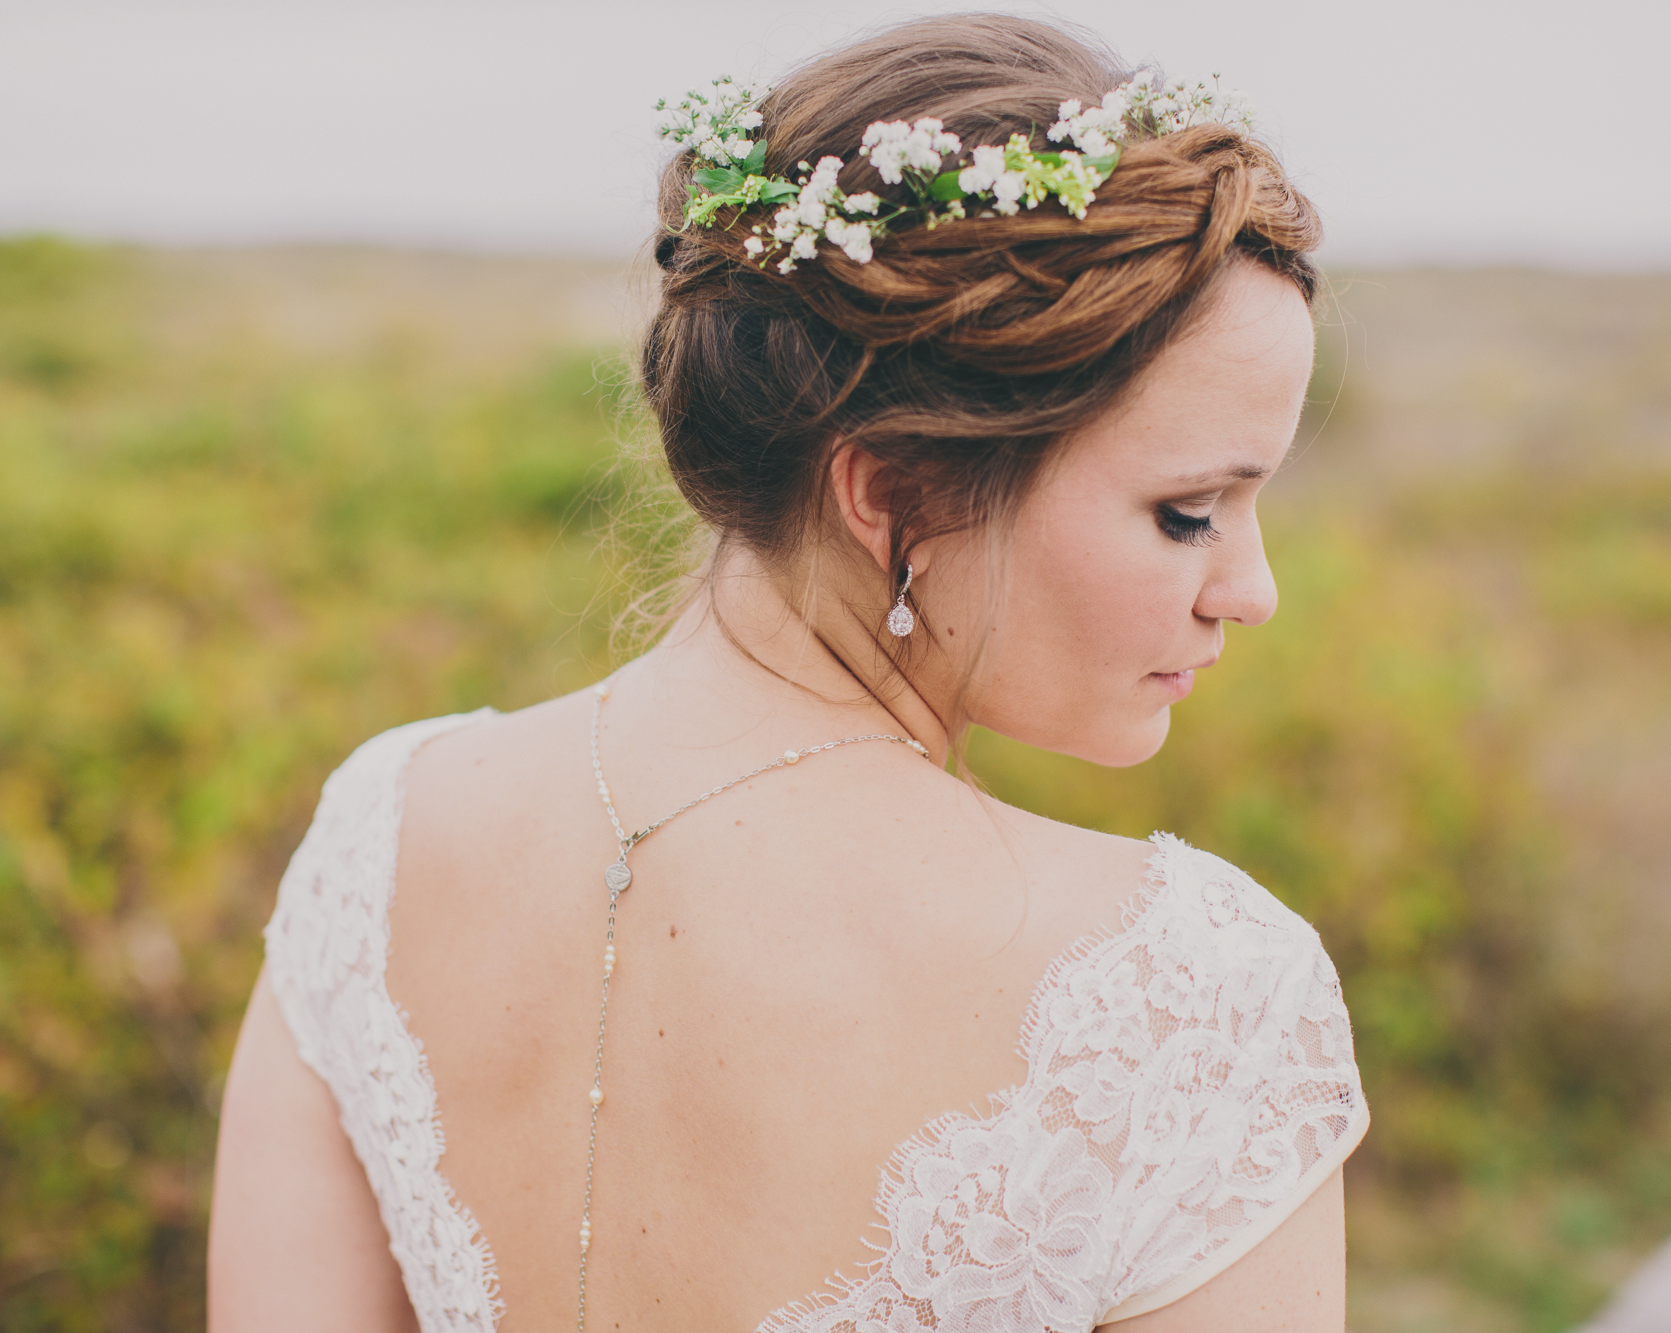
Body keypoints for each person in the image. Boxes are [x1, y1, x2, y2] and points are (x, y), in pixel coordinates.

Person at [207, 14, 1367, 1332]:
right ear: (896, 491)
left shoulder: (381, 836)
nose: (1251, 591)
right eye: (1188, 510)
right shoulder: (1190, 995)